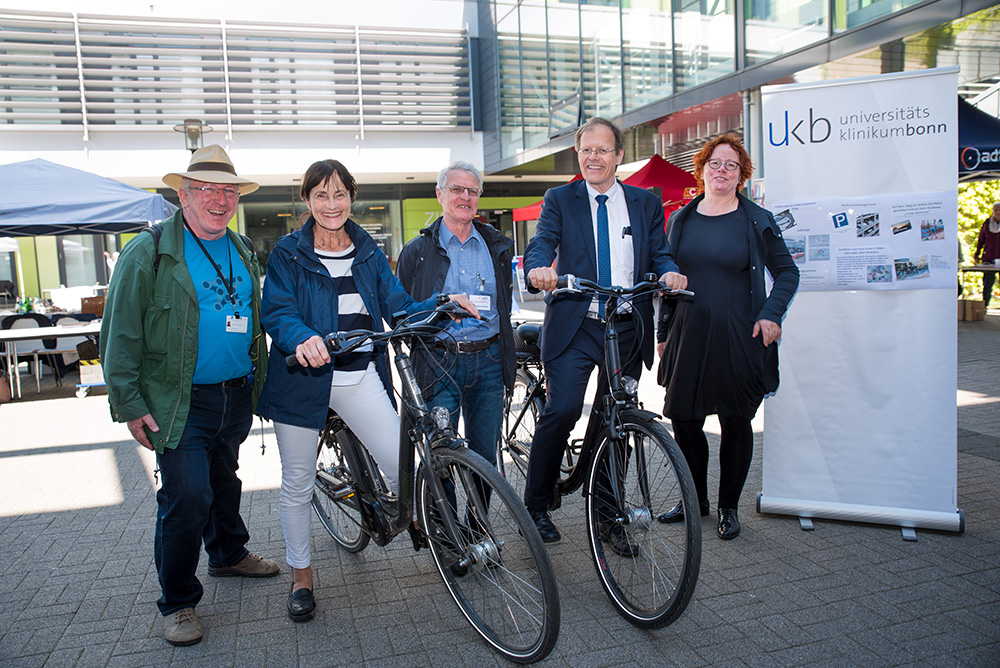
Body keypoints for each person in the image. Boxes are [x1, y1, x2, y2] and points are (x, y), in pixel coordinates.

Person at [257, 159, 478, 623]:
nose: (331, 204)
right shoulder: (287, 253)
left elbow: (399, 307)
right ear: (307, 201)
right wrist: (302, 338)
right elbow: (277, 311)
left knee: (406, 469)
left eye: (339, 194)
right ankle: (302, 577)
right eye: (321, 195)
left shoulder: (368, 250)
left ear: (351, 198)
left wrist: (441, 305)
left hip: (359, 375)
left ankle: (425, 527)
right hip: (302, 381)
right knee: (297, 483)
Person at [100, 145, 277, 647]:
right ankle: (177, 601)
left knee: (224, 480)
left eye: (228, 191)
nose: (219, 200)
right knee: (186, 496)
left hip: (233, 394)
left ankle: (227, 554)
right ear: (183, 195)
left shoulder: (242, 248)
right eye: (207, 190)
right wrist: (129, 403)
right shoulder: (149, 250)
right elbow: (121, 333)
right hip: (177, 401)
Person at [522, 117, 687, 544]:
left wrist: (670, 275)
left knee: (618, 421)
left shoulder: (645, 204)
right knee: (563, 410)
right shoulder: (560, 198)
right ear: (579, 155)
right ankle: (537, 505)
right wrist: (540, 268)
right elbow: (543, 240)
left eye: (603, 150)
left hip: (627, 328)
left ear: (618, 156)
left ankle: (609, 515)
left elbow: (660, 255)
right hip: (577, 325)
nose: (593, 157)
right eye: (586, 150)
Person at [655, 133, 799, 540]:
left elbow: (788, 272)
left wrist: (772, 315)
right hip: (690, 333)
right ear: (701, 170)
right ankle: (694, 501)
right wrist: (663, 332)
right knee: (685, 420)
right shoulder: (681, 218)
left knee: (736, 422)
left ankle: (728, 508)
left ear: (741, 175)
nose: (721, 171)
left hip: (739, 334)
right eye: (714, 163)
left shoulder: (756, 220)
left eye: (730, 165)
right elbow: (670, 278)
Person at [396, 161, 515, 475]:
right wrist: (437, 308)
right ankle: (446, 525)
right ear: (440, 194)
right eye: (457, 189)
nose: (465, 197)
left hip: (488, 363)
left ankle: (477, 525)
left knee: (486, 460)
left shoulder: (497, 247)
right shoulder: (417, 251)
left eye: (472, 191)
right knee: (440, 458)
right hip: (439, 363)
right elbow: (400, 313)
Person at [974, 202, 1000, 307]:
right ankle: (984, 307)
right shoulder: (986, 224)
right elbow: (981, 240)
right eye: (996, 210)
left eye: (999, 210)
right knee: (987, 284)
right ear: (992, 211)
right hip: (988, 258)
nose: (998, 212)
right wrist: (977, 254)